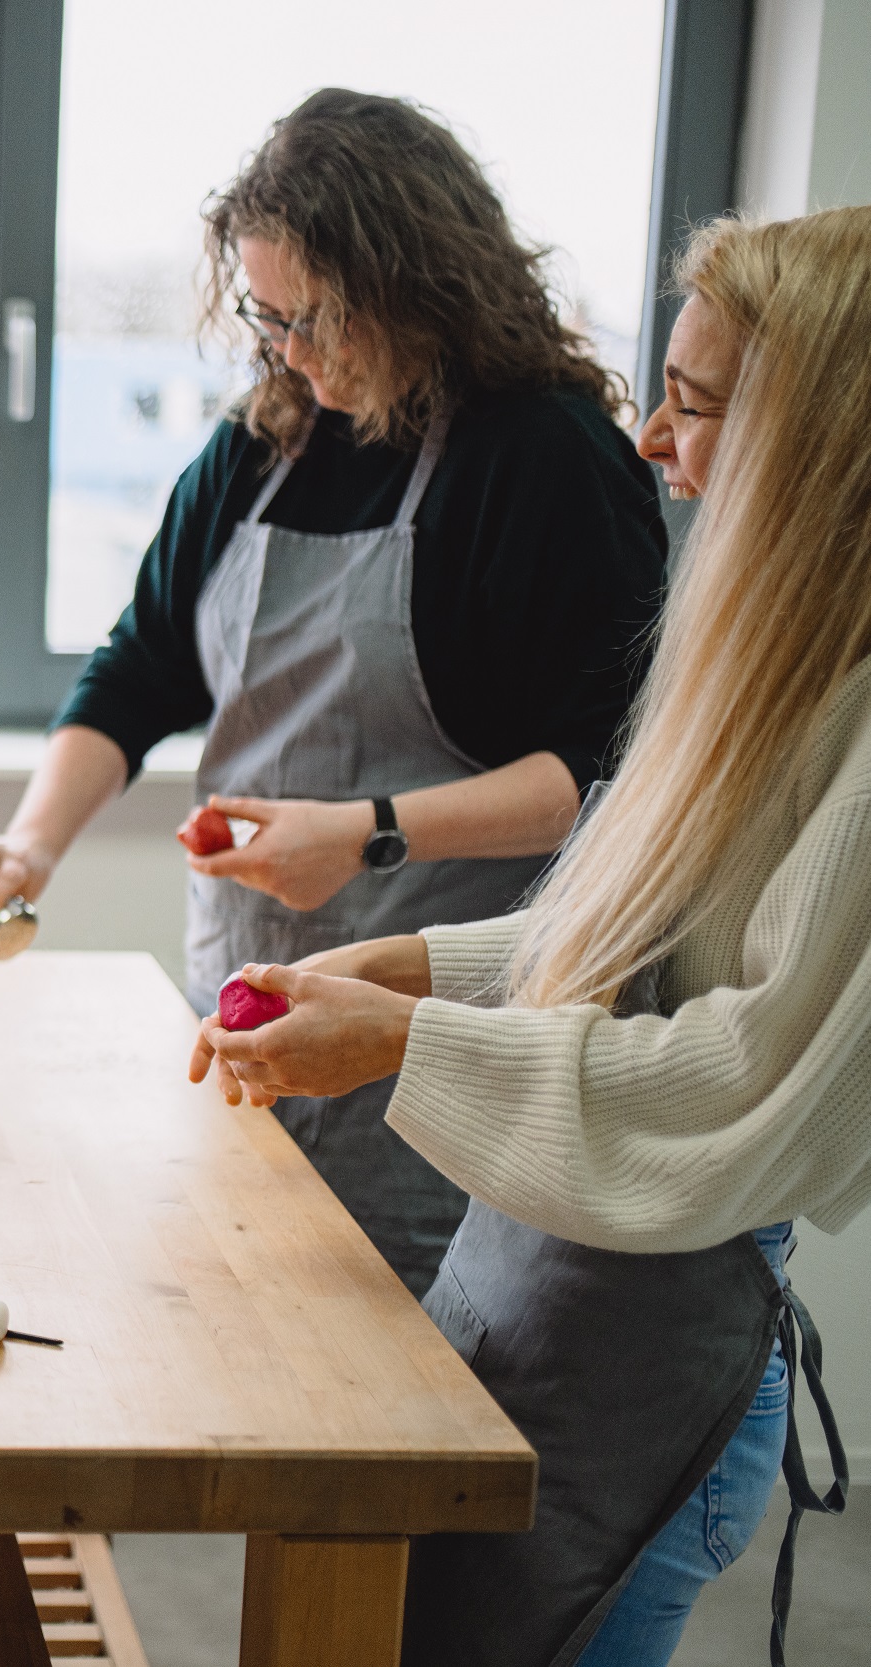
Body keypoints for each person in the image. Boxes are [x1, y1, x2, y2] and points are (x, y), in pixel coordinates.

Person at [194, 207, 868, 1667]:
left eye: (691, 407)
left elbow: (745, 1069)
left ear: (819, 442)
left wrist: (400, 1030)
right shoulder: (769, 658)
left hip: (652, 1351)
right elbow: (632, 929)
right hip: (538, 1283)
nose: (653, 445)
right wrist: (408, 964)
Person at [0, 89, 668, 1296]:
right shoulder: (259, 444)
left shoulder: (544, 459)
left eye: (316, 320)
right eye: (267, 319)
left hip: (437, 1058)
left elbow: (601, 778)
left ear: (417, 283)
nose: (288, 354)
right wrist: (28, 846)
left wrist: (368, 835)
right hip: (240, 1014)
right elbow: (142, 663)